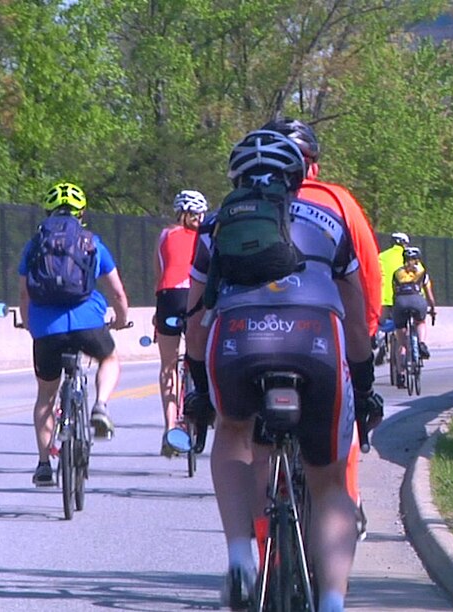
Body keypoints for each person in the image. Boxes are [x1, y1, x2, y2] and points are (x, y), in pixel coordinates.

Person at [184, 130, 378, 612]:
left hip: (238, 340)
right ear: (299, 176)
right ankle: (332, 603)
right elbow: (356, 318)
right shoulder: (330, 219)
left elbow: (193, 319)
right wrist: (365, 382)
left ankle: (239, 559)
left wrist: (198, 386)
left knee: (233, 432)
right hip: (316, 341)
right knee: (329, 481)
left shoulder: (214, 226)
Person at [268, 117, 379, 540]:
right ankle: (347, 504)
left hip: (251, 337)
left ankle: (257, 555)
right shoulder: (338, 201)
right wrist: (364, 337)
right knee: (342, 422)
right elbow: (366, 277)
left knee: (247, 437)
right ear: (311, 164)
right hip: (325, 340)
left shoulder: (244, 202)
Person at [18, 182, 130, 486]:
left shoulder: (35, 243)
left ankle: (44, 465)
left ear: (50, 210)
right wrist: (120, 319)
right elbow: (117, 292)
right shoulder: (93, 242)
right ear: (81, 212)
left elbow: (24, 294)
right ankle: (101, 405)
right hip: (87, 323)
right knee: (109, 358)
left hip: (47, 330)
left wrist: (31, 326)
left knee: (45, 396)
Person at [153, 189, 207, 457]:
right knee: (204, 354)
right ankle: (205, 403)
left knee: (168, 365)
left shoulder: (166, 235)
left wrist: (157, 312)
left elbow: (160, 273)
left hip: (170, 297)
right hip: (198, 296)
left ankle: (170, 427)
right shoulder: (208, 236)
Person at [391, 246, 437, 370]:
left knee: (401, 328)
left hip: (401, 302)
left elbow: (394, 293)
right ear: (418, 259)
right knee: (420, 322)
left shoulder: (397, 273)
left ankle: (403, 356)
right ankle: (421, 344)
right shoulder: (422, 273)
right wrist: (432, 309)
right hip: (417, 301)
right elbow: (430, 296)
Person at [376, 231, 410, 364]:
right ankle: (409, 347)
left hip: (384, 296)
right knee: (404, 324)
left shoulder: (381, 256)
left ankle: (381, 343)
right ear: (404, 244)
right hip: (403, 296)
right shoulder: (408, 258)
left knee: (380, 324)